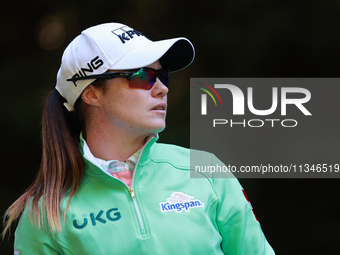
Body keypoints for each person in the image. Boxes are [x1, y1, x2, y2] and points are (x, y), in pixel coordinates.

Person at [3, 22, 275, 254]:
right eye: (143, 75)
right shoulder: (44, 213)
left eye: (162, 76)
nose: (161, 89)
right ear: (91, 94)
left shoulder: (206, 170)